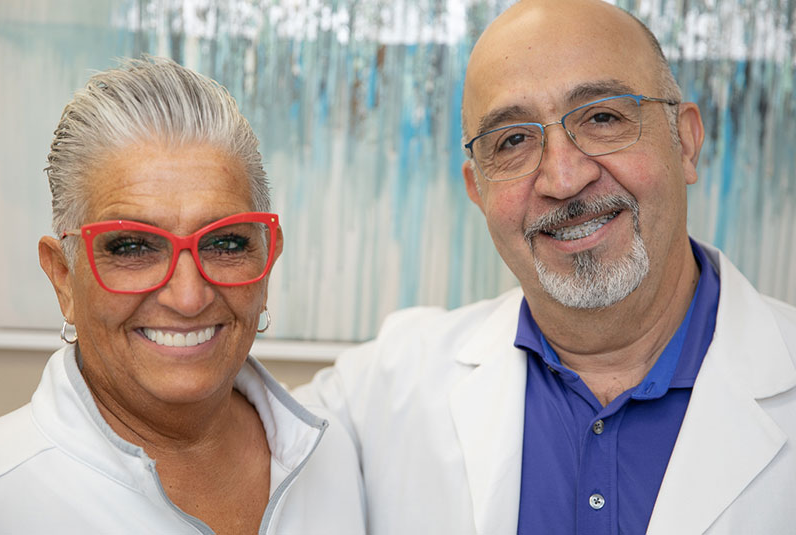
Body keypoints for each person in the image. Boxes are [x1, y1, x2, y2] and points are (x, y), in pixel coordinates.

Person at [297, 0, 796, 533]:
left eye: (602, 117)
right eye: (512, 141)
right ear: (478, 190)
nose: (563, 178)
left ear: (687, 143)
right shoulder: (381, 390)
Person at [0, 57, 365, 535]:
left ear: (267, 261)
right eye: (132, 247)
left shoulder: (334, 457)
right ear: (64, 277)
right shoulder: (9, 493)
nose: (188, 297)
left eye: (226, 243)